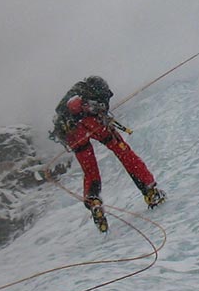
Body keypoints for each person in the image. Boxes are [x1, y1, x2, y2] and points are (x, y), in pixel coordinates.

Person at [49, 76, 165, 232]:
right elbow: (101, 108)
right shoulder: (93, 90)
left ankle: (94, 201)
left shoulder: (71, 98)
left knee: (90, 171)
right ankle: (150, 191)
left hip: (72, 134)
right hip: (93, 123)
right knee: (123, 152)